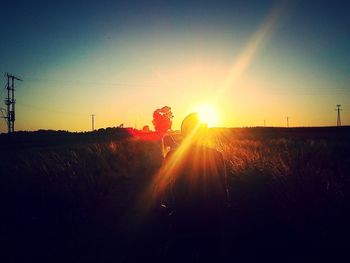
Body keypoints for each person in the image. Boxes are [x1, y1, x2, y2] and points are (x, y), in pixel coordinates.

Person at [156, 113, 229, 262]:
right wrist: (223, 212)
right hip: (212, 221)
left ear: (184, 133)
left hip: (183, 219)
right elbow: (224, 190)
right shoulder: (217, 155)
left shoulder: (172, 156)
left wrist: (159, 206)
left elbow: (161, 184)